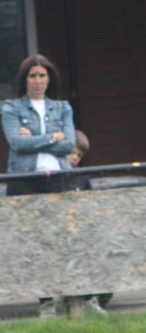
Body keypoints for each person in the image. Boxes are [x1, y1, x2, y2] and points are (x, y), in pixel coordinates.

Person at [1, 53, 76, 319]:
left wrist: (34, 137)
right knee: (34, 242)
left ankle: (71, 296)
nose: (37, 81)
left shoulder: (63, 107)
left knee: (62, 239)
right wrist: (51, 137)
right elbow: (16, 143)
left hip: (58, 178)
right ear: (24, 79)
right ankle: (45, 301)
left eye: (42, 75)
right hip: (25, 181)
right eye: (32, 76)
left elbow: (69, 144)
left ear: (49, 78)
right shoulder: (12, 107)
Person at [65, 130, 111, 316]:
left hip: (82, 230)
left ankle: (94, 300)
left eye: (79, 155)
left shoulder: (82, 177)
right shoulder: (51, 176)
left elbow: (89, 203)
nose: (75, 158)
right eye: (72, 152)